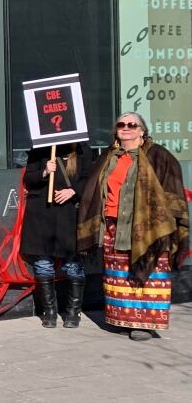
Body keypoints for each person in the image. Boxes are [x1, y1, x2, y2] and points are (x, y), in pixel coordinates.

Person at [78, 112, 188, 341]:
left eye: (132, 125)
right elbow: (93, 188)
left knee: (148, 270)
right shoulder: (109, 156)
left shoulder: (158, 156)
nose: (126, 128)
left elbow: (172, 187)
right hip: (112, 224)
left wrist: (166, 221)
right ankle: (124, 318)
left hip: (147, 226)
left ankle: (145, 324)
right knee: (119, 274)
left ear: (141, 131)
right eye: (121, 124)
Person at [20, 142, 93, 328]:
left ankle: (73, 311)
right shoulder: (40, 148)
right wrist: (44, 172)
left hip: (70, 216)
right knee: (43, 265)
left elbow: (90, 179)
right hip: (43, 215)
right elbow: (29, 179)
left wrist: (73, 191)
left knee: (72, 266)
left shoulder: (82, 149)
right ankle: (49, 311)